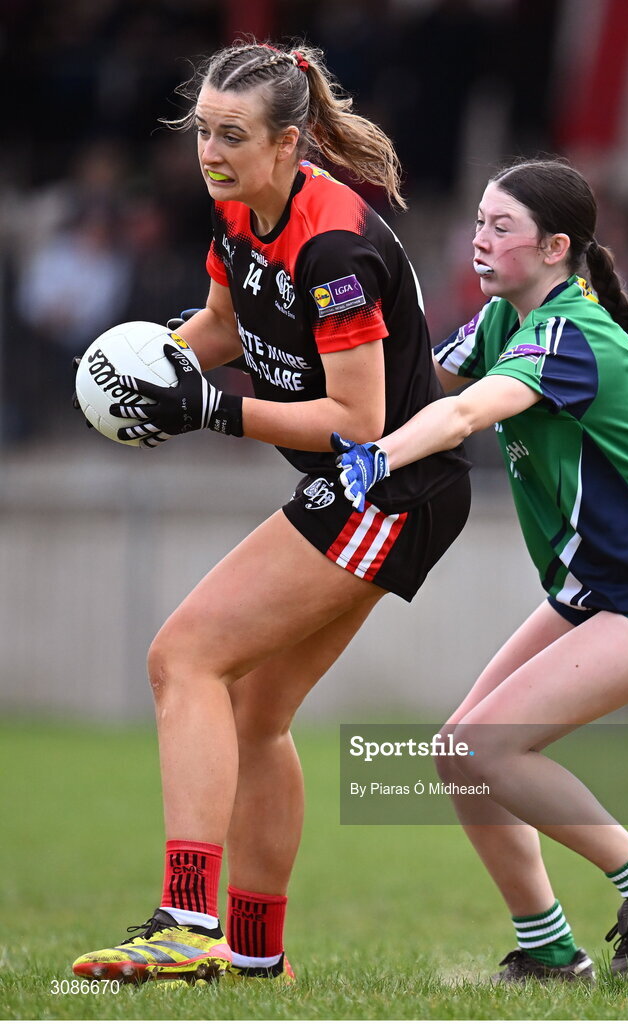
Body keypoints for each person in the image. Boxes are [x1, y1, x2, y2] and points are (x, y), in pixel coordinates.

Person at [71, 39, 470, 985]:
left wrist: (211, 408)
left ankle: (186, 921)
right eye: (202, 131)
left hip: (388, 486)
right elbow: (219, 324)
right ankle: (253, 955)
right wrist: (141, 366)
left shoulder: (334, 245)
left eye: (232, 136)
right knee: (253, 711)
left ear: (290, 142)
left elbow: (356, 421)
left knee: (184, 657)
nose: (210, 152)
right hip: (370, 489)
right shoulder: (239, 211)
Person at [333, 157, 628, 983]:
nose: (478, 241)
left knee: (489, 748)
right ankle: (551, 952)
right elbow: (417, 383)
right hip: (601, 589)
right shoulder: (504, 324)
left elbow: (462, 412)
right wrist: (253, 373)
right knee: (460, 751)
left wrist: (378, 457)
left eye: (500, 228)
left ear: (557, 247)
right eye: (478, 221)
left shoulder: (570, 334)